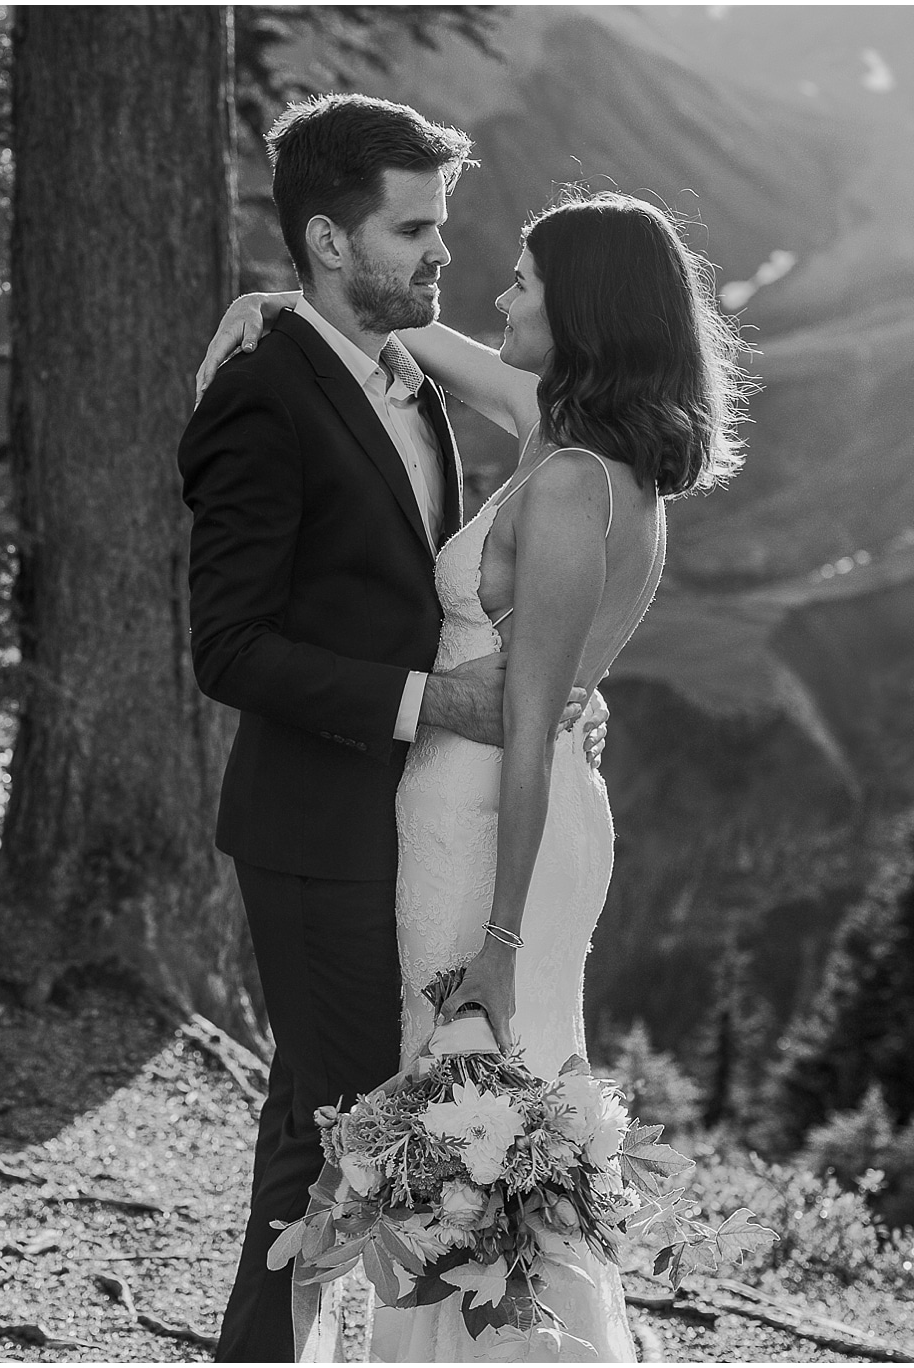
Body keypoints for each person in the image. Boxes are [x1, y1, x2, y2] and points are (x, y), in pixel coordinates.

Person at [195, 186, 750, 1360]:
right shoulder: (578, 435)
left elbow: (524, 721)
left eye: (525, 281)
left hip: (495, 818)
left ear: (581, 308)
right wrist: (280, 305)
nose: (496, 292)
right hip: (523, 805)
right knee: (497, 1113)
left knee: (465, 1110)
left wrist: (496, 940)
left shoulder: (565, 484)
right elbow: (404, 335)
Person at [176, 95, 608, 1362]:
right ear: (325, 238)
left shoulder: (412, 384)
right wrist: (443, 705)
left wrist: (556, 685)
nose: (442, 257)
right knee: (367, 1135)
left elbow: (441, 595)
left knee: (311, 1138)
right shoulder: (261, 394)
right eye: (413, 229)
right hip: (314, 830)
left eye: (443, 227)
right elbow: (230, 647)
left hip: (416, 826)